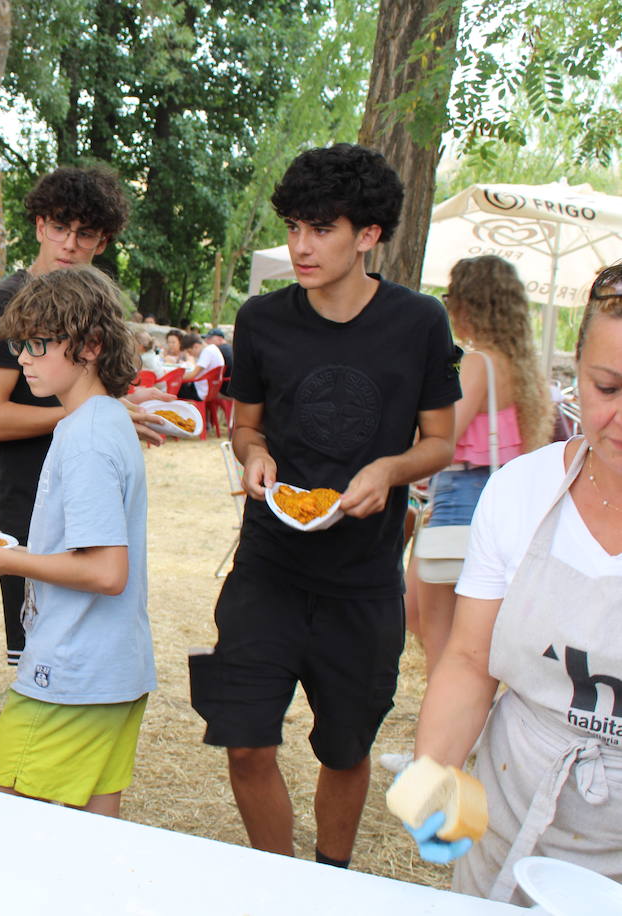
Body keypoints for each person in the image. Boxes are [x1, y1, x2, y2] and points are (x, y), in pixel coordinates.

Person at [188, 143, 460, 869]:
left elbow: (440, 442)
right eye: (293, 228)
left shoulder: (419, 323)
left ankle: (332, 879)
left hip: (363, 584)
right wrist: (255, 456)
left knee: (346, 750)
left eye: (320, 229)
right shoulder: (263, 320)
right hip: (267, 569)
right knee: (243, 738)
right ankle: (281, 882)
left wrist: (388, 469)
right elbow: (244, 424)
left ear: (367, 234)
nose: (300, 247)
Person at [404, 263, 622, 904]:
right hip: (512, 810)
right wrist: (433, 779)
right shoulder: (521, 491)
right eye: (607, 388)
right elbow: (471, 659)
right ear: (577, 369)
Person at [0, 266, 154, 817]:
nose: (23, 359)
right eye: (20, 345)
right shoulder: (104, 420)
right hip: (112, 669)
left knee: (0, 824)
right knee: (90, 833)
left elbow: (107, 572)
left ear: (91, 345)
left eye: (38, 343)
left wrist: (5, 560)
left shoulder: (83, 436)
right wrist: (5, 543)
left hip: (71, 672)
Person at [0, 165, 134, 667]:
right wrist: (85, 414)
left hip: (83, 491)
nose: (69, 243)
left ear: (102, 241)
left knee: (79, 646)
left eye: (84, 233)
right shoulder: (6, 302)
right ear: (40, 226)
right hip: (24, 500)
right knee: (38, 655)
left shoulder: (88, 302)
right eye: (59, 227)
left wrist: (128, 407)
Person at [413, 255, 552, 678]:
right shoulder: (523, 369)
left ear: (469, 305)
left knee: (440, 639)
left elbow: (442, 441)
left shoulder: (478, 364)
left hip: (460, 505)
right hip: (502, 510)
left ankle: (442, 743)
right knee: (459, 635)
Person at [176, 331, 224, 401]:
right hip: (211, 390)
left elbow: (192, 375)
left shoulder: (207, 352)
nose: (190, 355)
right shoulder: (213, 348)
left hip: (201, 393)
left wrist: (175, 377)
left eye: (189, 352)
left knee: (175, 388)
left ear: (196, 346)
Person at [204, 327, 234, 396]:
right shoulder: (230, 348)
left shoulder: (216, 350)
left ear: (219, 339)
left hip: (224, 388)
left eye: (209, 339)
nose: (206, 341)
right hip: (233, 385)